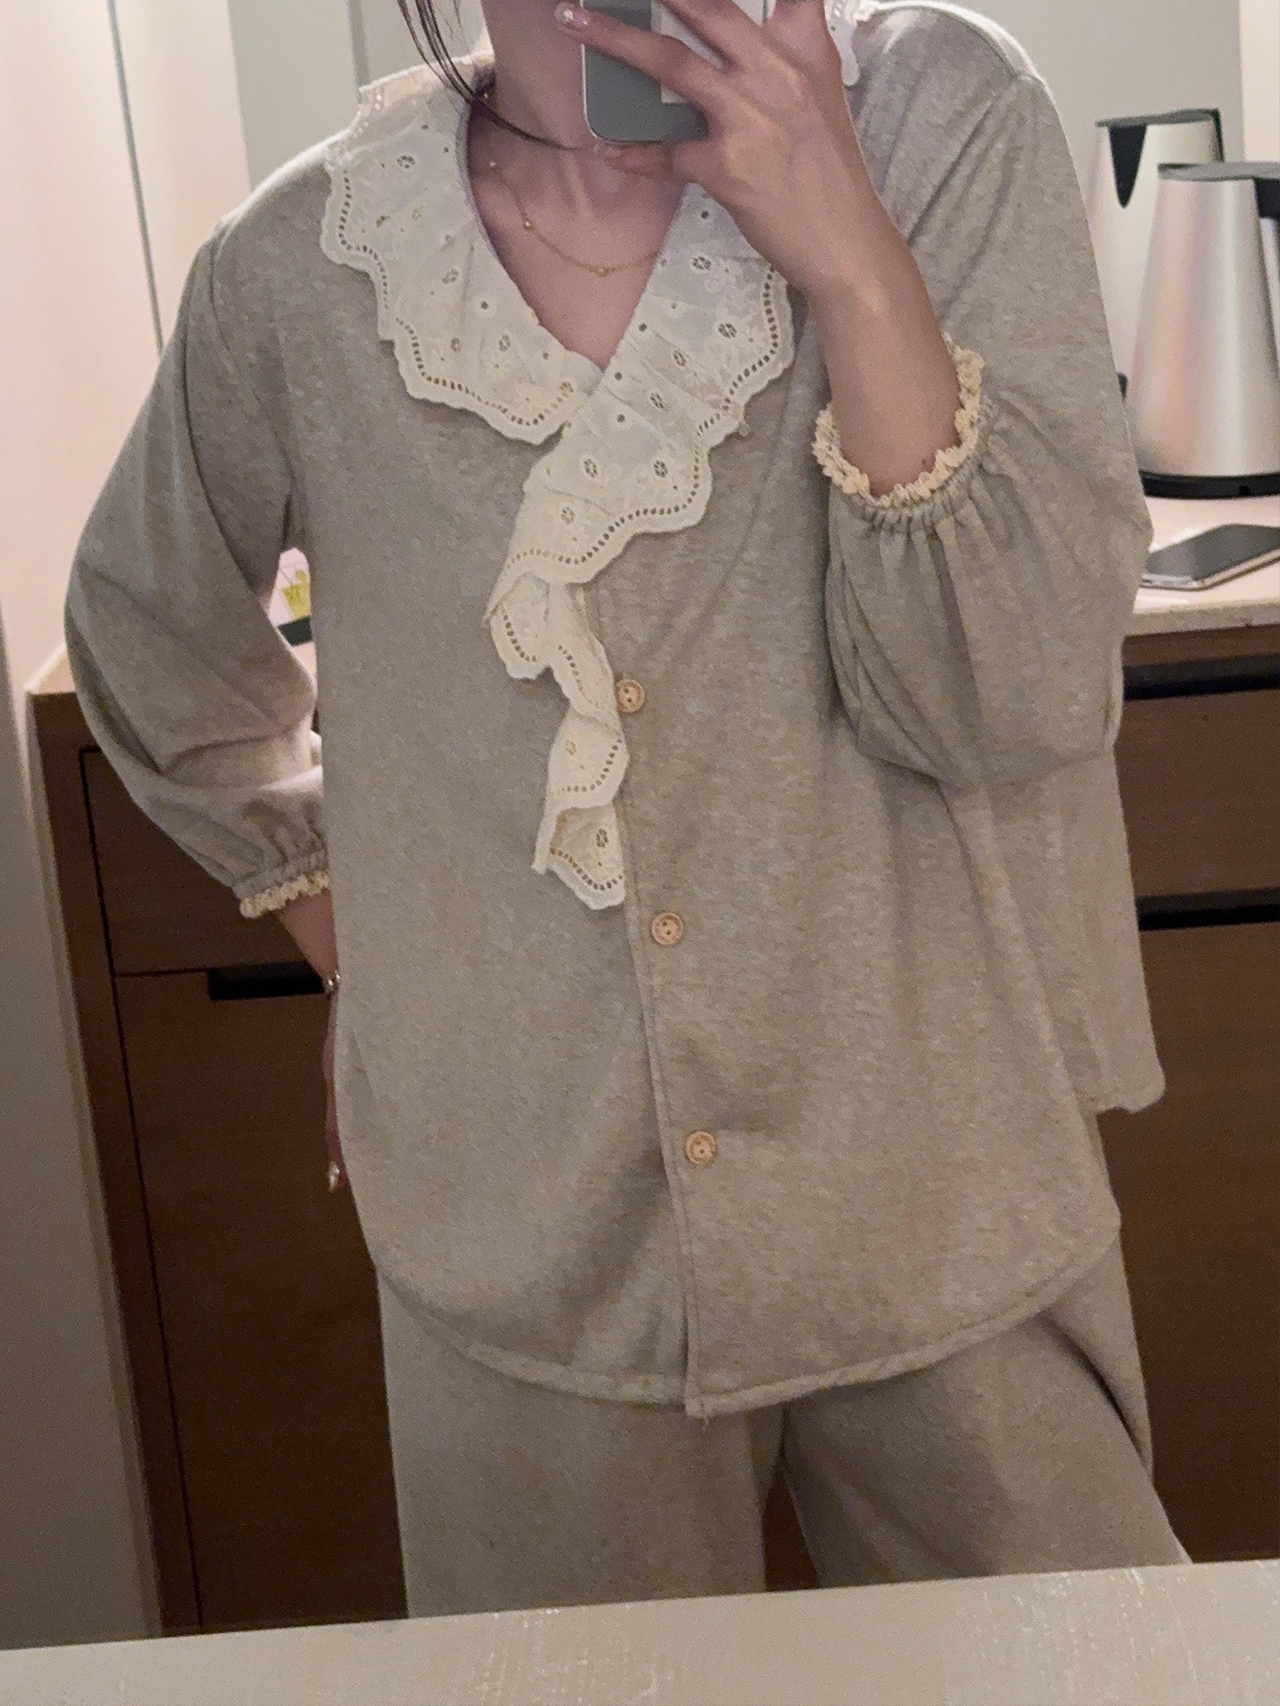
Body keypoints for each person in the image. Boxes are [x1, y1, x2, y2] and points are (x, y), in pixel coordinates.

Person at [65, 0, 1188, 1616]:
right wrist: (367, 938)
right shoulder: (303, 268)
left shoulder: (939, 122)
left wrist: (854, 263)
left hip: (939, 1190)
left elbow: (1005, 697)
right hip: (529, 1239)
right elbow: (148, 631)